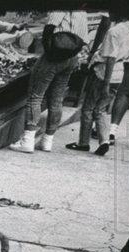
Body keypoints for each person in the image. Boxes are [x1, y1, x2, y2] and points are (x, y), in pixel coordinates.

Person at [10, 9, 90, 154]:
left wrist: (49, 52)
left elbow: (49, 29)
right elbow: (84, 39)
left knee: (35, 96)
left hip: (54, 56)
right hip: (71, 58)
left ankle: (27, 140)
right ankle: (47, 140)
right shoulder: (82, 13)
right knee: (57, 99)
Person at [67, 12, 129, 156]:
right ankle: (104, 141)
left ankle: (83, 143)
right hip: (120, 72)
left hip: (104, 73)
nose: (107, 16)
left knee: (88, 108)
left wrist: (106, 83)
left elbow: (110, 58)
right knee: (101, 109)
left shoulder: (113, 32)